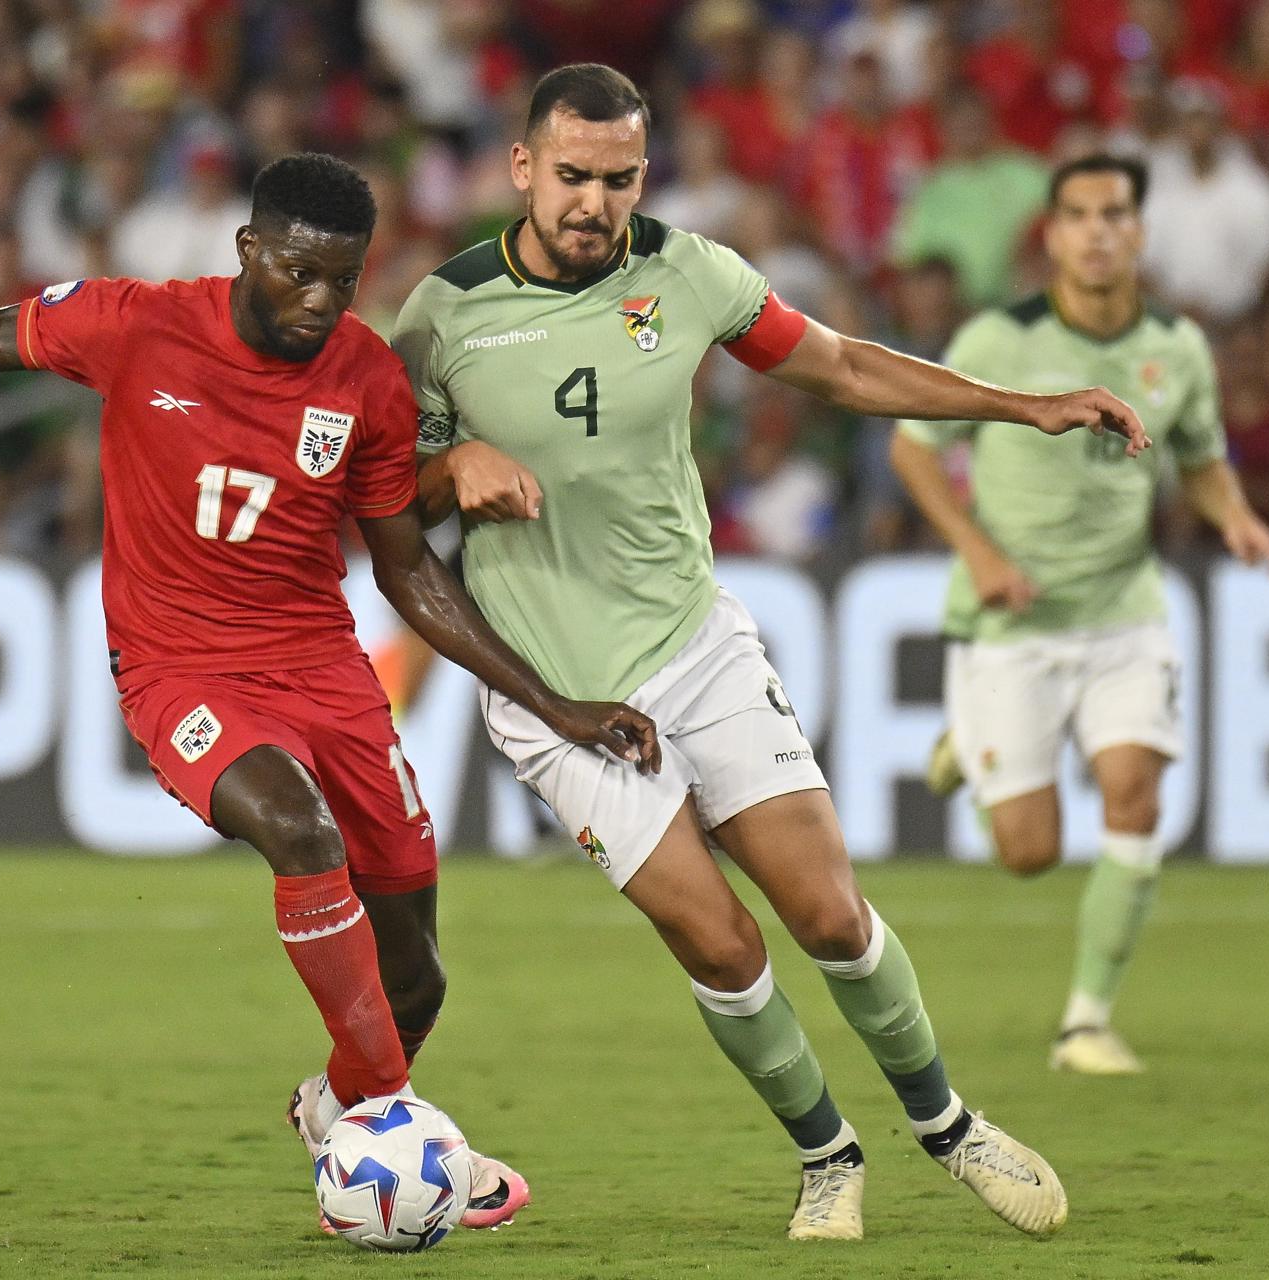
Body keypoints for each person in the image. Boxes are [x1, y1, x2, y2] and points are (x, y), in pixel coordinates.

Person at [0, 151, 661, 1233]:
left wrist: (556, 701)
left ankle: (340, 1106)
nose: (319, 301)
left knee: (416, 976)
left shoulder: (367, 378)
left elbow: (409, 570)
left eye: (343, 279)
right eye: (296, 272)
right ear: (247, 250)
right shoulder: (137, 323)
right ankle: (404, 1134)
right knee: (299, 829)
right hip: (180, 668)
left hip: (322, 668)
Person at [394, 64, 1150, 1243]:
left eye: (620, 177)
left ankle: (947, 1124)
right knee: (719, 938)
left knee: (831, 916)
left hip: (693, 642)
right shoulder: (442, 317)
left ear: (644, 173)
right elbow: (382, 506)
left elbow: (842, 365)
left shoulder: (688, 272)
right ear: (522, 168)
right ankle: (826, 1156)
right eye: (574, 177)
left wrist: (1023, 405)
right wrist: (448, 473)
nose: (595, 202)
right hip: (557, 692)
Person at [890, 154, 1269, 1076]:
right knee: (1028, 853)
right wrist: (979, 552)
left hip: (1124, 613)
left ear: (1140, 232)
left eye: (1115, 213)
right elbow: (915, 450)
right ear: (1054, 235)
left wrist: (1235, 515)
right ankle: (965, 739)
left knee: (1135, 793)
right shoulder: (997, 340)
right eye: (1078, 215)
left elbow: (1200, 457)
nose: (1099, 231)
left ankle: (1086, 1022)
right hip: (1011, 623)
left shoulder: (1179, 348)